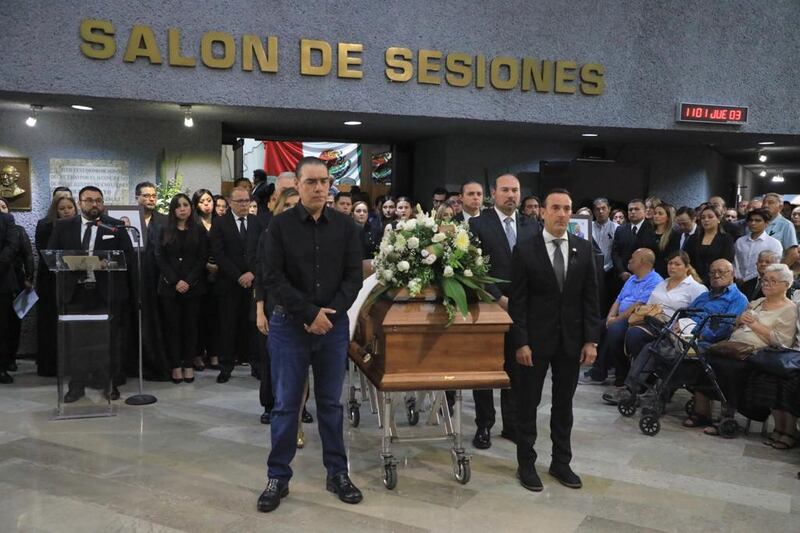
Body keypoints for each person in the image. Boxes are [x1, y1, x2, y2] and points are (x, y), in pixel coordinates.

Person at [258, 156, 363, 512]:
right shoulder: (280, 227)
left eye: (324, 181)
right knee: (287, 405)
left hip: (332, 328)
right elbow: (272, 277)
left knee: (331, 404)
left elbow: (353, 278)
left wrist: (327, 316)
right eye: (311, 182)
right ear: (297, 186)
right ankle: (278, 476)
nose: (320, 188)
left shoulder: (346, 227)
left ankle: (338, 473)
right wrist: (308, 313)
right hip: (290, 326)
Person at [509, 188, 600, 492]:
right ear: (543, 212)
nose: (562, 214)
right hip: (534, 341)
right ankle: (526, 463)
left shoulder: (584, 248)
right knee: (528, 403)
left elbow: (590, 298)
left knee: (564, 404)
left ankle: (561, 462)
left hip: (570, 341)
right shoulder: (525, 249)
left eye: (567, 208)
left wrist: (591, 340)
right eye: (556, 208)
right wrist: (520, 341)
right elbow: (518, 302)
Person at [469, 174, 539, 449]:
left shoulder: (531, 225)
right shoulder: (478, 223)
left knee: (517, 370)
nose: (511, 195)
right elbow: (474, 269)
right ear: (493, 193)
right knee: (486, 371)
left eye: (515, 190)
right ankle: (484, 424)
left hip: (522, 311)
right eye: (505, 190)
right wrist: (499, 299)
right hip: (489, 307)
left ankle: (512, 424)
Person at [47, 186, 136, 401]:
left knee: (110, 341)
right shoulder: (64, 226)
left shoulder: (115, 226)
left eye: (98, 200)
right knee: (77, 342)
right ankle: (76, 386)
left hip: (106, 292)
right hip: (76, 293)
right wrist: (69, 263)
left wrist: (109, 262)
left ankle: (110, 383)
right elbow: (52, 255)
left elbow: (128, 257)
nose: (94, 204)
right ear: (80, 203)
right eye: (89, 200)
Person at [685, 264, 796, 435]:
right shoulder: (757, 302)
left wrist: (755, 325)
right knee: (704, 359)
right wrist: (739, 321)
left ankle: (727, 416)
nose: (767, 283)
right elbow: (736, 327)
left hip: (755, 352)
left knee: (728, 367)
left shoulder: (789, 309)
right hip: (733, 346)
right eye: (765, 280)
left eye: (773, 281)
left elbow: (783, 341)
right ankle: (702, 412)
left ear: (786, 285)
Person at [602, 251, 707, 404]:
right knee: (621, 330)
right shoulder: (663, 283)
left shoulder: (696, 288)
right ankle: (640, 380)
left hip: (673, 328)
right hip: (652, 321)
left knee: (637, 336)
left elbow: (699, 312)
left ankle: (637, 384)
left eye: (677, 264)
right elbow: (649, 304)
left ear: (686, 267)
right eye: (670, 263)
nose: (672, 267)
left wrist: (682, 324)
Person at [581, 248, 662, 387]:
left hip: (637, 319)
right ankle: (600, 369)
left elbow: (638, 305)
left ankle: (617, 373)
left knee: (614, 329)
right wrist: (610, 317)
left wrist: (616, 320)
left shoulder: (655, 281)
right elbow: (618, 300)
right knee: (598, 326)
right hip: (620, 316)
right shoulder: (632, 278)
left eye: (633, 258)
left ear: (643, 262)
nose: (629, 261)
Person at [255, 187, 301, 425]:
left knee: (300, 360)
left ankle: (299, 406)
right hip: (274, 304)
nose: (293, 210)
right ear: (280, 207)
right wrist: (259, 310)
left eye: (297, 205)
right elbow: (261, 274)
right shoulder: (269, 233)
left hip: (302, 305)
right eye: (289, 205)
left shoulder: (310, 235)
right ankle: (270, 404)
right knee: (272, 358)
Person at [209, 187, 263, 383]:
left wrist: (252, 273)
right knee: (227, 326)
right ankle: (225, 366)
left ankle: (256, 365)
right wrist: (238, 275)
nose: (244, 204)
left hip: (254, 283)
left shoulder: (258, 222)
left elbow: (263, 251)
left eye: (246, 200)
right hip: (229, 283)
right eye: (239, 201)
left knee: (253, 327)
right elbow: (219, 253)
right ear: (230, 202)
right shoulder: (220, 223)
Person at [154, 194, 208, 384]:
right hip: (169, 287)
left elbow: (202, 258)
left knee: (191, 328)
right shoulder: (164, 230)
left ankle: (188, 365)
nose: (182, 209)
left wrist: (189, 280)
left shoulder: (199, 230)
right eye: (178, 206)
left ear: (191, 208)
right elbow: (160, 257)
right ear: (173, 210)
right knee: (172, 328)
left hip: (193, 287)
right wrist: (175, 280)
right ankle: (175, 365)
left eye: (186, 205)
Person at [35, 193, 77, 376]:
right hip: (51, 281)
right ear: (55, 211)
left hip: (75, 280)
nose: (67, 211)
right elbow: (46, 254)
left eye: (70, 207)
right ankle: (51, 365)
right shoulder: (45, 226)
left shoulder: (81, 227)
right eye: (62, 209)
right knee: (51, 324)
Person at [134, 181, 169, 381]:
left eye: (153, 196)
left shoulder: (164, 221)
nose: (150, 199)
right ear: (137, 197)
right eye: (146, 196)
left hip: (160, 279)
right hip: (137, 279)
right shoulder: (127, 220)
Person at [0, 199, 33, 374]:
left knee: (9, 325)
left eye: (3, 207)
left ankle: (7, 361)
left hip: (10, 281)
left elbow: (24, 254)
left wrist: (29, 276)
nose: (1, 210)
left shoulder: (15, 228)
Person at [192, 189, 219, 370]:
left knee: (215, 316)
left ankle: (215, 353)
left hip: (219, 274)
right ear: (196, 204)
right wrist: (205, 265)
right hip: (198, 275)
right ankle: (197, 354)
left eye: (209, 200)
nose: (207, 204)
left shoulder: (220, 222)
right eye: (202, 201)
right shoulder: (193, 223)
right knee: (198, 317)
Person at [685, 206, 735, 285]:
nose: (706, 220)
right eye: (703, 217)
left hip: (717, 279)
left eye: (710, 217)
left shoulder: (726, 239)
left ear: (718, 219)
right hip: (693, 279)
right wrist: (694, 276)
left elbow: (726, 261)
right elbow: (686, 258)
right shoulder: (693, 238)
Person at [734, 209, 783, 284]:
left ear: (766, 223)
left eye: (758, 221)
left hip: (761, 282)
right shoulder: (740, 241)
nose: (753, 223)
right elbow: (735, 261)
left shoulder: (774, 244)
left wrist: (748, 279)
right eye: (751, 220)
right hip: (738, 281)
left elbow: (774, 266)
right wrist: (738, 277)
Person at [611, 199, 652, 284]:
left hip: (645, 277)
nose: (633, 212)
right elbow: (615, 253)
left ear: (644, 212)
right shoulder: (620, 229)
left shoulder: (652, 229)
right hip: (622, 277)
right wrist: (622, 271)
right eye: (630, 209)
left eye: (636, 209)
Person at [0, 211, 20, 383]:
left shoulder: (6, 219)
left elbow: (12, 246)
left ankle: (1, 368)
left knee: (2, 328)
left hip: (2, 279)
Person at [638, 203, 680, 277]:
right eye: (655, 213)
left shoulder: (674, 235)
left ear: (668, 217)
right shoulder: (647, 232)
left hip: (662, 274)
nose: (656, 216)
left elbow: (672, 257)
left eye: (660, 214)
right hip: (644, 271)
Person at [592, 197, 619, 313]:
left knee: (608, 301)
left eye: (603, 208)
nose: (601, 211)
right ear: (594, 211)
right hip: (592, 270)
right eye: (597, 209)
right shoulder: (587, 227)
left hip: (611, 271)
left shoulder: (617, 229)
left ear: (609, 209)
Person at [762, 192, 798, 265]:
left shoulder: (786, 225)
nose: (765, 205)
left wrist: (778, 271)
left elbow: (792, 254)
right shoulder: (756, 222)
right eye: (764, 203)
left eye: (770, 203)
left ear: (780, 207)